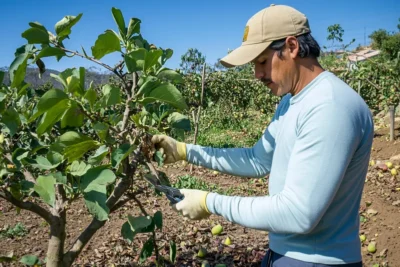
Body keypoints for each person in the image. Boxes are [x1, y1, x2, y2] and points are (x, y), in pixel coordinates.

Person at [151, 4, 373, 267]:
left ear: (291, 47)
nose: (257, 74)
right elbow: (257, 160)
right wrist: (186, 151)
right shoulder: (292, 101)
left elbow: (298, 213)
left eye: (262, 61)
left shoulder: (330, 106)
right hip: (287, 253)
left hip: (318, 260)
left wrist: (210, 202)